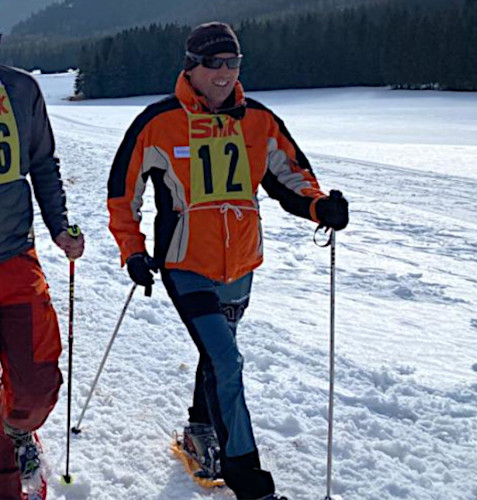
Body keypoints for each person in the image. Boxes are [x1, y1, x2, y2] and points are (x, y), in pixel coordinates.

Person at [108, 21, 348, 500]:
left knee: (218, 358)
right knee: (226, 358)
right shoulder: (159, 121)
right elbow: (123, 193)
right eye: (213, 64)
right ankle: (249, 482)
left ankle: (201, 429)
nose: (224, 73)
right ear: (191, 67)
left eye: (233, 62)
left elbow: (291, 176)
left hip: (241, 264)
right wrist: (133, 251)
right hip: (185, 263)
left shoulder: (258, 119)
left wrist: (321, 206)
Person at [0, 60, 84, 499]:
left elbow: (42, 163)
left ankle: (17, 431)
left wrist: (59, 226)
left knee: (36, 384)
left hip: (14, 255)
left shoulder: (19, 88)